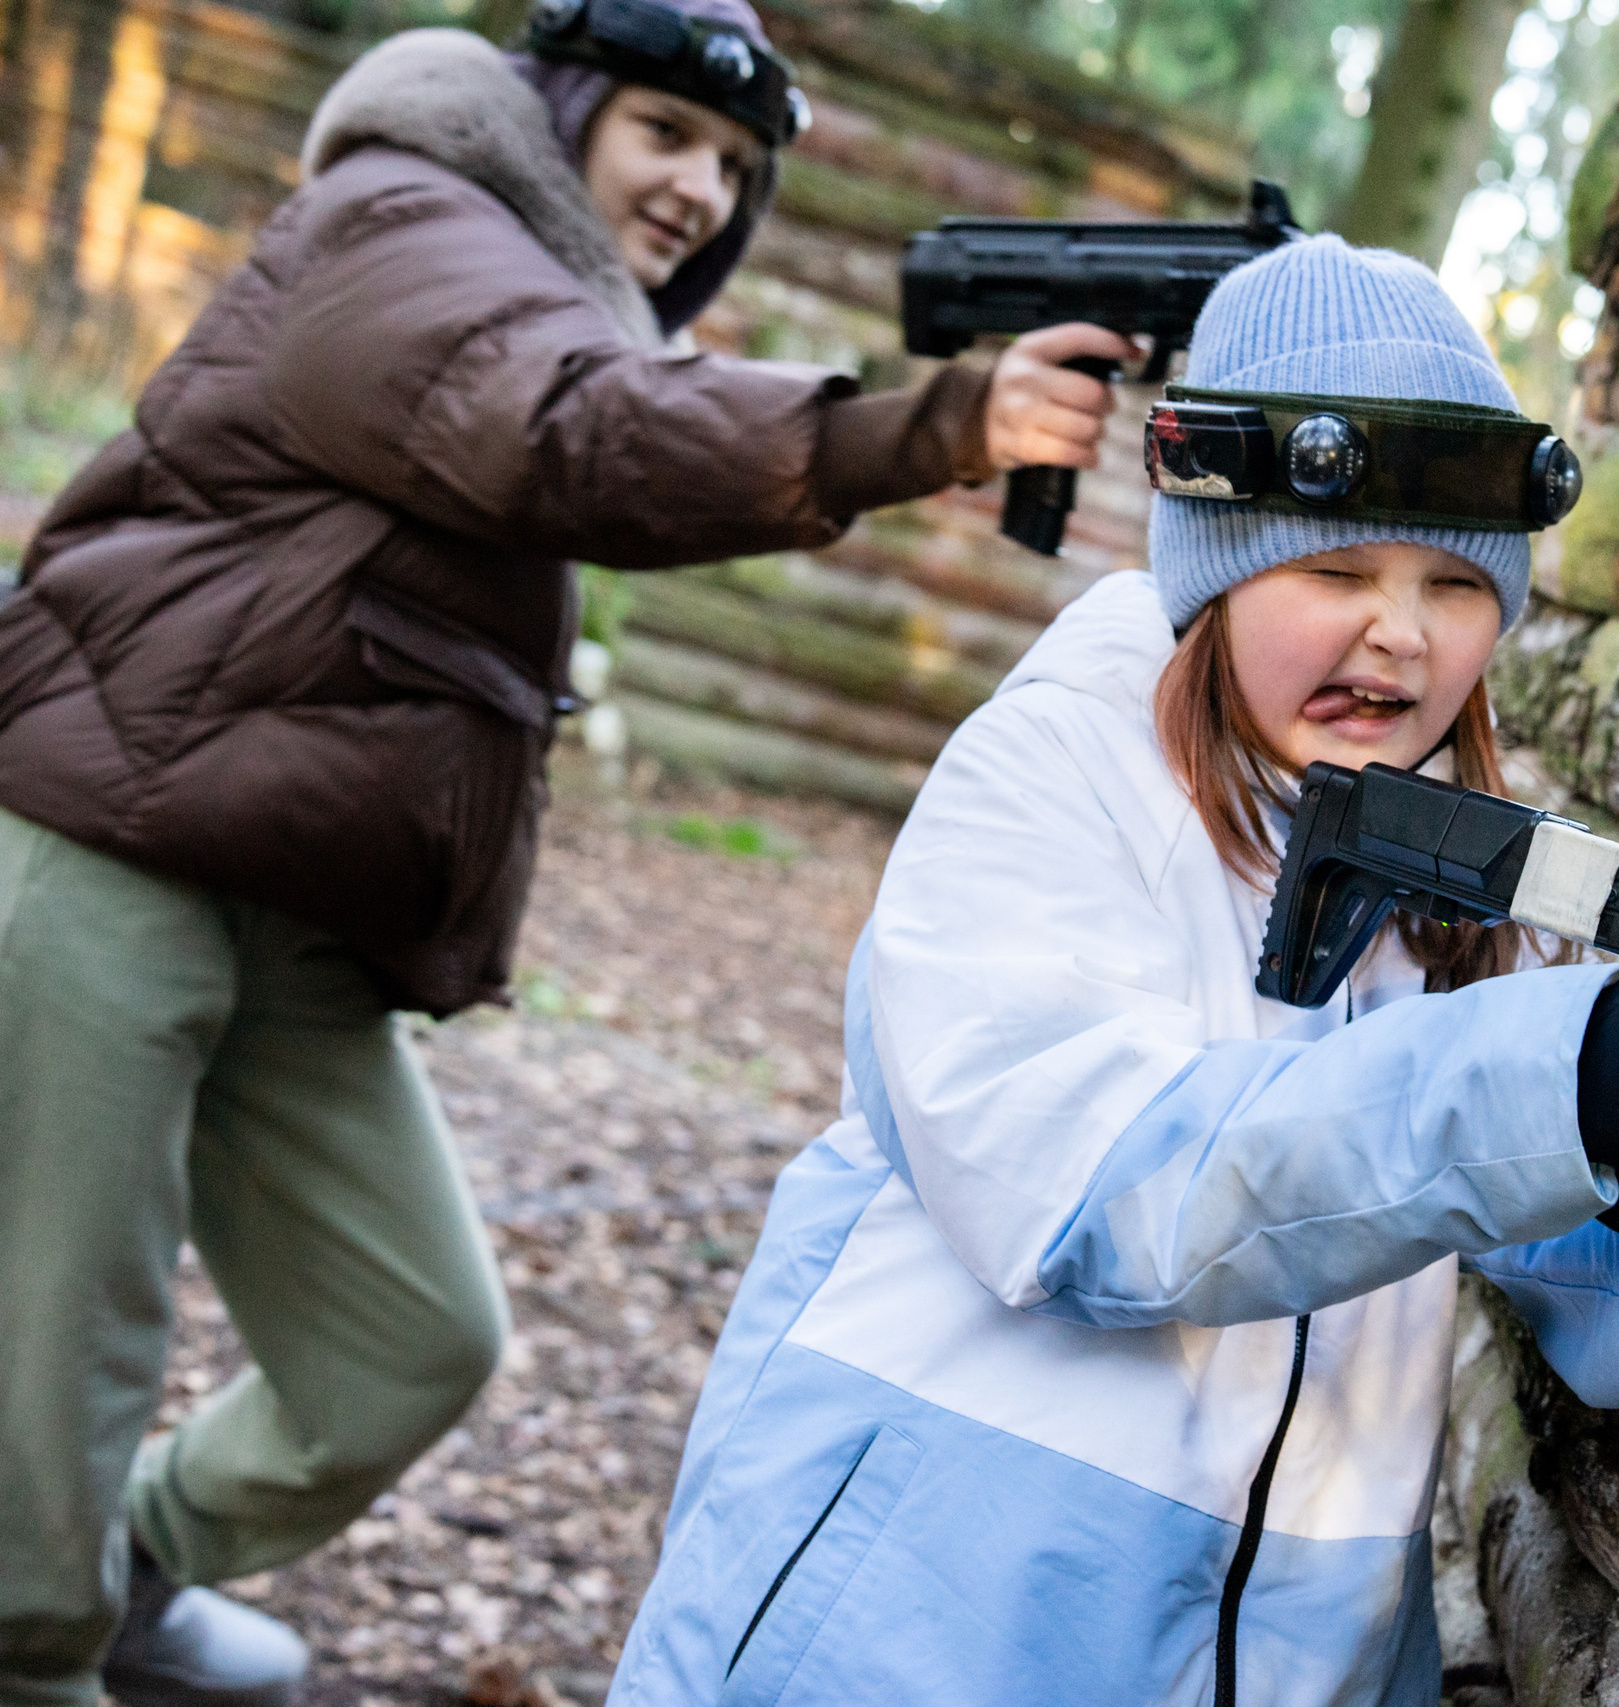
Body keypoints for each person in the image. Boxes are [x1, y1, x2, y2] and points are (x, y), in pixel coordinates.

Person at [604, 235, 1619, 1707]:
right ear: (1213, 564)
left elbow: (1564, 1218)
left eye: (1457, 586)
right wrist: (1550, 1075)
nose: (1401, 641)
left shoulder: (1454, 868)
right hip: (912, 1634)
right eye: (1338, 570)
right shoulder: (1055, 774)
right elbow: (1094, 1188)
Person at [0, 3, 1136, 1703]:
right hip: (112, 844)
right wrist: (925, 429)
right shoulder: (407, 218)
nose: (700, 186)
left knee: (407, 1344)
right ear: (566, 107)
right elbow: (562, 435)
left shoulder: (535, 289)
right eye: (669, 133)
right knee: (56, 1343)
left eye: (738, 168)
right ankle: (34, 1653)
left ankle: (130, 1565)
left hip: (292, 913)